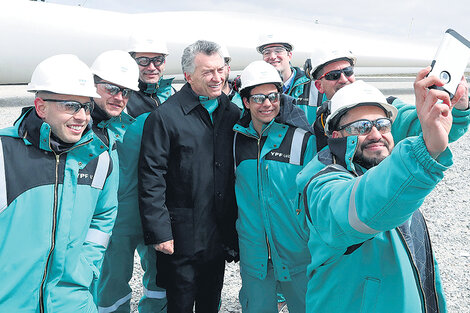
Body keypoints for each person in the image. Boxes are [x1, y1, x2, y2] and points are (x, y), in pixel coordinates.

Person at [296, 71, 469, 313]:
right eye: (361, 127)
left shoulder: (383, 171)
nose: (375, 134)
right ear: (337, 136)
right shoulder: (320, 182)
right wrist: (424, 151)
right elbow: (364, 206)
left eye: (382, 124)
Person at [0, 54, 118, 312]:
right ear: (41, 107)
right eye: (70, 106)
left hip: (73, 302)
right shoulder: (3, 152)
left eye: (86, 107)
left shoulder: (99, 157)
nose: (82, 117)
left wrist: (85, 268)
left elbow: (103, 216)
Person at [138, 40, 240, 313]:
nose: (217, 78)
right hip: (180, 237)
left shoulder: (232, 114)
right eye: (207, 72)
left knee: (210, 301)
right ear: (188, 76)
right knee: (180, 304)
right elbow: (151, 178)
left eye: (221, 69)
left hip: (217, 233)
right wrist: (160, 232)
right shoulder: (165, 117)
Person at [233, 60, 316, 313]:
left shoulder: (302, 140)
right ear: (245, 102)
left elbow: (314, 195)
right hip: (254, 253)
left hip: (297, 251)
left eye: (272, 96)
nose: (267, 104)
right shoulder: (236, 140)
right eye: (258, 97)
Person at [88, 50, 161, 313]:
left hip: (148, 211)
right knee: (111, 284)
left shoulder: (140, 117)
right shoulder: (79, 129)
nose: (119, 97)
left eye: (125, 92)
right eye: (111, 89)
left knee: (158, 281)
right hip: (112, 221)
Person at [257, 34, 318, 124]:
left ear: (289, 55)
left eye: (278, 51)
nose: (272, 56)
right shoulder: (257, 88)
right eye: (267, 53)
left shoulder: (313, 86)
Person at [126, 33, 175, 117]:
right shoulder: (122, 99)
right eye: (143, 61)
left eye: (157, 60)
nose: (151, 68)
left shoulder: (172, 93)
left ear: (164, 62)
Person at [220, 45, 243, 109]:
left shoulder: (243, 102)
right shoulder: (198, 105)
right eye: (209, 70)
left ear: (228, 69)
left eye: (220, 68)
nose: (215, 74)